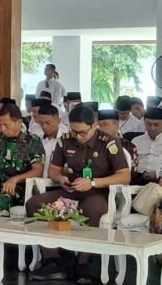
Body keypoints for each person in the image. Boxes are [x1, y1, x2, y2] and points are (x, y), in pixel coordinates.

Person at [27, 105, 130, 282]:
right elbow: (53, 170)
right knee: (34, 203)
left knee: (91, 208)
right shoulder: (65, 140)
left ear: (94, 125)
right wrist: (61, 179)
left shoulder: (109, 142)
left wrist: (93, 182)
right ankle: (53, 260)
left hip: (99, 192)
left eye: (83, 132)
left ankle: (83, 262)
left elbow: (124, 176)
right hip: (71, 189)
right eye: (74, 132)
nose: (78, 137)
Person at [131, 107, 162, 184]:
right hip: (137, 179)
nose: (152, 128)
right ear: (144, 122)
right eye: (149, 124)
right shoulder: (136, 141)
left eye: (156, 125)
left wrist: (158, 174)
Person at [98, 109, 139, 180]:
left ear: (116, 125)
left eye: (105, 125)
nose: (100, 129)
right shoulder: (94, 145)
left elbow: (132, 173)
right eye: (98, 125)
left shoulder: (128, 146)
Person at [35, 104, 68, 177]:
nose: (44, 126)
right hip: (38, 181)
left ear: (58, 121)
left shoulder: (67, 141)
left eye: (48, 123)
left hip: (58, 181)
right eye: (41, 123)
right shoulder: (36, 139)